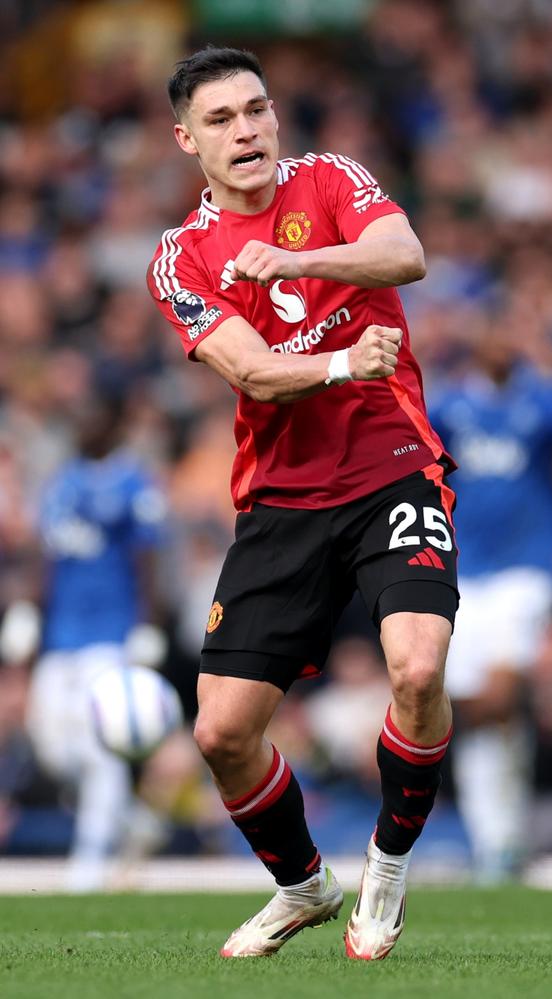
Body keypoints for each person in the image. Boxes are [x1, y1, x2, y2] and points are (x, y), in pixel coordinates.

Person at [147, 46, 458, 961]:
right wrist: (337, 359)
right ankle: (304, 886)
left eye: (257, 109)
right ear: (186, 140)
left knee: (416, 667)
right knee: (221, 731)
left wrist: (307, 255)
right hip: (282, 498)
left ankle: (387, 868)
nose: (246, 130)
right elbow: (249, 370)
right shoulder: (178, 257)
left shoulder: (331, 179)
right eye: (222, 119)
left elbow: (406, 255)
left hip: (393, 463)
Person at [427, 319, 552, 880]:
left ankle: (501, 838)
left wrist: (549, 362)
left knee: (497, 695)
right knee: (477, 711)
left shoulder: (540, 399)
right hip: (465, 569)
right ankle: (496, 841)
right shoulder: (452, 405)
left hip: (528, 567)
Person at [25, 395, 168, 891]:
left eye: (93, 415)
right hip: (60, 633)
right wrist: (28, 611)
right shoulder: (60, 483)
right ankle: (132, 822)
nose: (83, 424)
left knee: (99, 747)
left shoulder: (133, 482)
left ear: (112, 424)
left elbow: (147, 559)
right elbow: (44, 556)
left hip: (110, 632)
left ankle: (89, 861)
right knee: (53, 748)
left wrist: (146, 623)